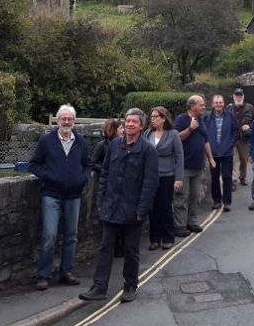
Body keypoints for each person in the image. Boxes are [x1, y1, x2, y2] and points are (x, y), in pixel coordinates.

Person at [80, 108, 159, 303]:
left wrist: (142, 209)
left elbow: (150, 183)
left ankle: (130, 285)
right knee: (105, 247)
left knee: (131, 251)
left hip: (133, 209)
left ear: (141, 126)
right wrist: (101, 200)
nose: (129, 124)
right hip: (111, 206)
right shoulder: (115, 144)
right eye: (127, 121)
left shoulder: (148, 150)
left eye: (134, 122)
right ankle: (99, 287)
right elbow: (105, 173)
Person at [29, 104, 91, 291]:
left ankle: (66, 272)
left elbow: (88, 164)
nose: (66, 122)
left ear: (74, 121)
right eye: (63, 119)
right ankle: (43, 275)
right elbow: (34, 164)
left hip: (74, 195)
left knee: (71, 236)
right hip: (51, 194)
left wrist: (82, 178)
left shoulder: (80, 142)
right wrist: (49, 177)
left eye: (70, 119)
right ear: (58, 121)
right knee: (50, 236)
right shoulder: (46, 141)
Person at [173, 95, 215, 237]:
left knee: (195, 196)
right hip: (184, 166)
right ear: (192, 106)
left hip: (198, 166)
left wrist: (210, 158)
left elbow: (205, 140)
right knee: (182, 197)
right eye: (201, 104)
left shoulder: (201, 120)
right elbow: (176, 138)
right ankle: (180, 225)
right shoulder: (181, 119)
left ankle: (192, 222)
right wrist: (190, 129)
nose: (204, 107)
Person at [145, 106, 183, 250]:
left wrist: (179, 178)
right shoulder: (147, 133)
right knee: (152, 208)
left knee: (165, 207)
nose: (152, 119)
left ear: (163, 119)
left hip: (167, 175)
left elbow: (179, 156)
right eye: (151, 117)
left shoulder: (173, 134)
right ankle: (154, 239)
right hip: (150, 176)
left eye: (155, 117)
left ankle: (168, 237)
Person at [91, 119, 125, 258]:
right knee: (110, 217)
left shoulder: (125, 144)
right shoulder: (102, 145)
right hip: (108, 186)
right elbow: (93, 162)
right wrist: (106, 170)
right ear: (113, 130)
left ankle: (121, 246)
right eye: (121, 128)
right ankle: (114, 247)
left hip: (121, 185)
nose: (123, 130)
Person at [204, 94, 239, 211]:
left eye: (220, 102)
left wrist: (231, 144)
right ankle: (217, 201)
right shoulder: (207, 117)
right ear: (212, 104)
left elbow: (235, 130)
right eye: (216, 102)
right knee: (214, 178)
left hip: (227, 153)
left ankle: (227, 202)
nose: (218, 104)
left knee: (227, 177)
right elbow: (203, 133)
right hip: (212, 153)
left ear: (223, 104)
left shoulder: (230, 116)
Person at [231, 88, 254, 189]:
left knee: (244, 160)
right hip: (232, 137)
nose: (238, 97)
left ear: (243, 96)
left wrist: (249, 126)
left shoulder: (250, 107)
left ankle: (243, 177)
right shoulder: (229, 108)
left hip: (244, 138)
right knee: (231, 160)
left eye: (240, 95)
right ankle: (233, 180)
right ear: (233, 96)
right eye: (236, 95)